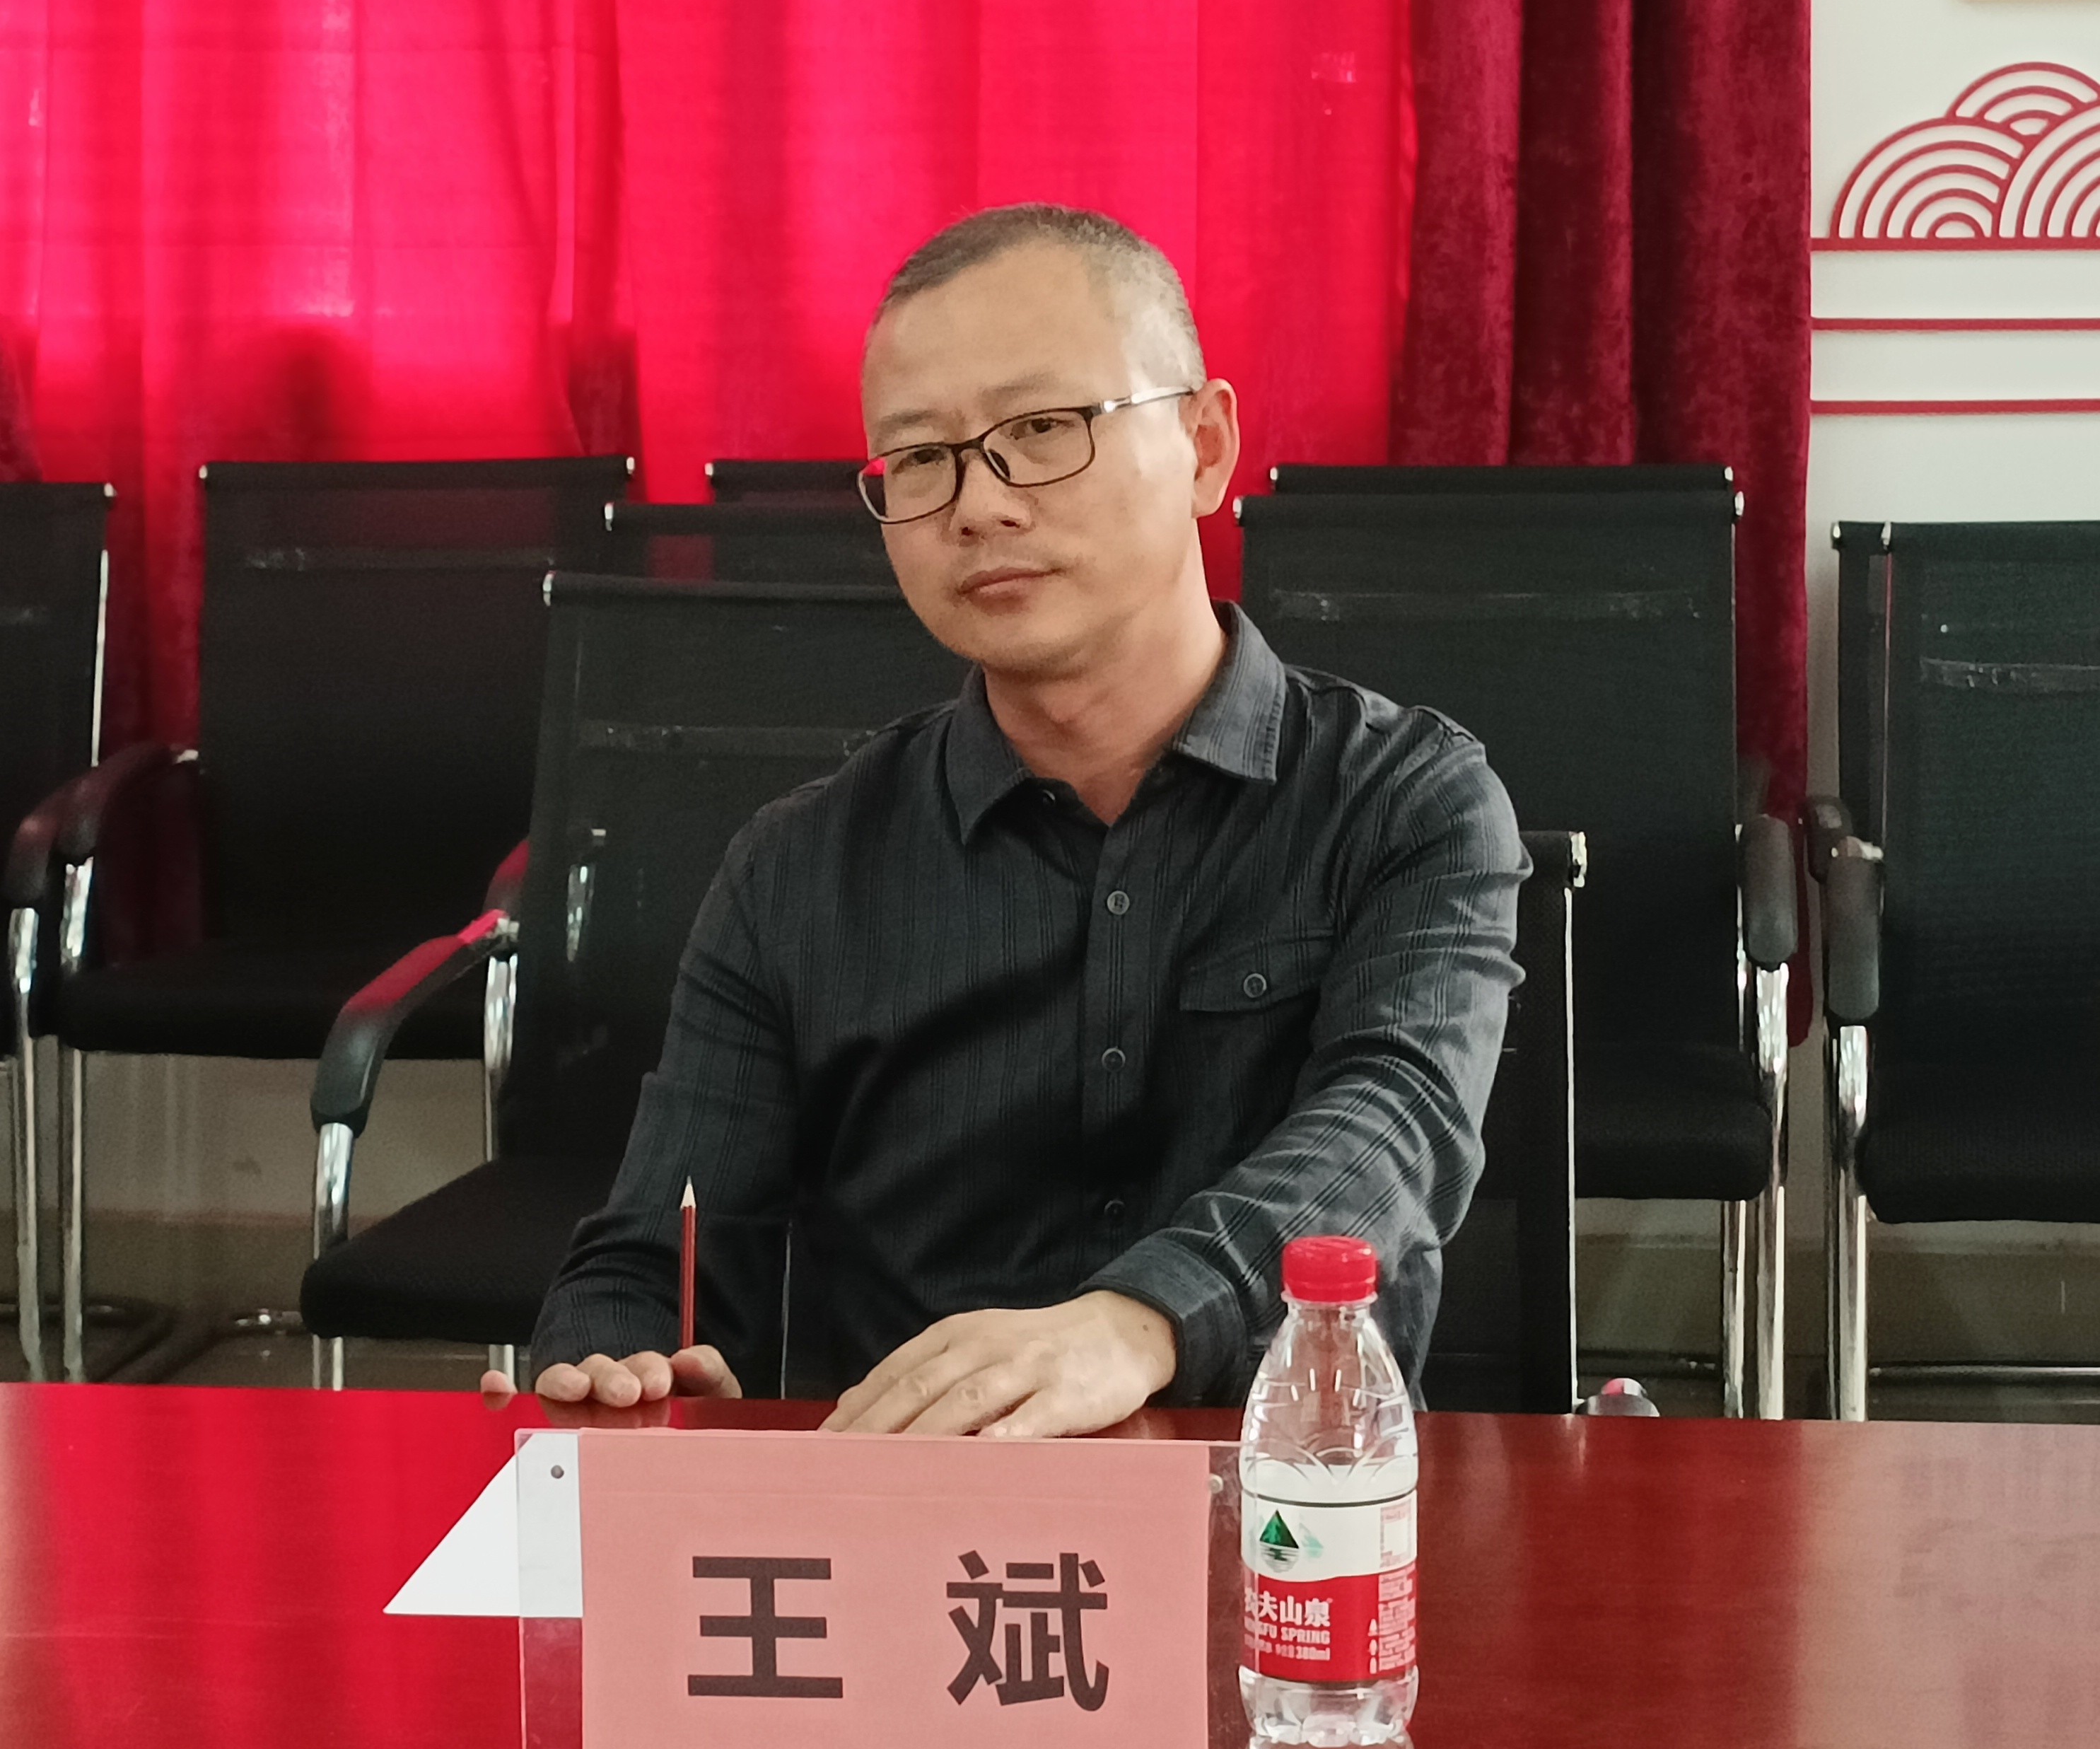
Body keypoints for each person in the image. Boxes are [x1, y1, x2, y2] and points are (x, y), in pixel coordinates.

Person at [496, 203, 1524, 1436]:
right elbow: (654, 1252)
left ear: (1204, 446)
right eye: (919, 458)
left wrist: (1138, 1320)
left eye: (1040, 431)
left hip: (1290, 1505)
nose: (976, 505)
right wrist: (618, 1366)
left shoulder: (1403, 799)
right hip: (915, 1517)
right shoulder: (798, 867)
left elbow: (1396, 1123)